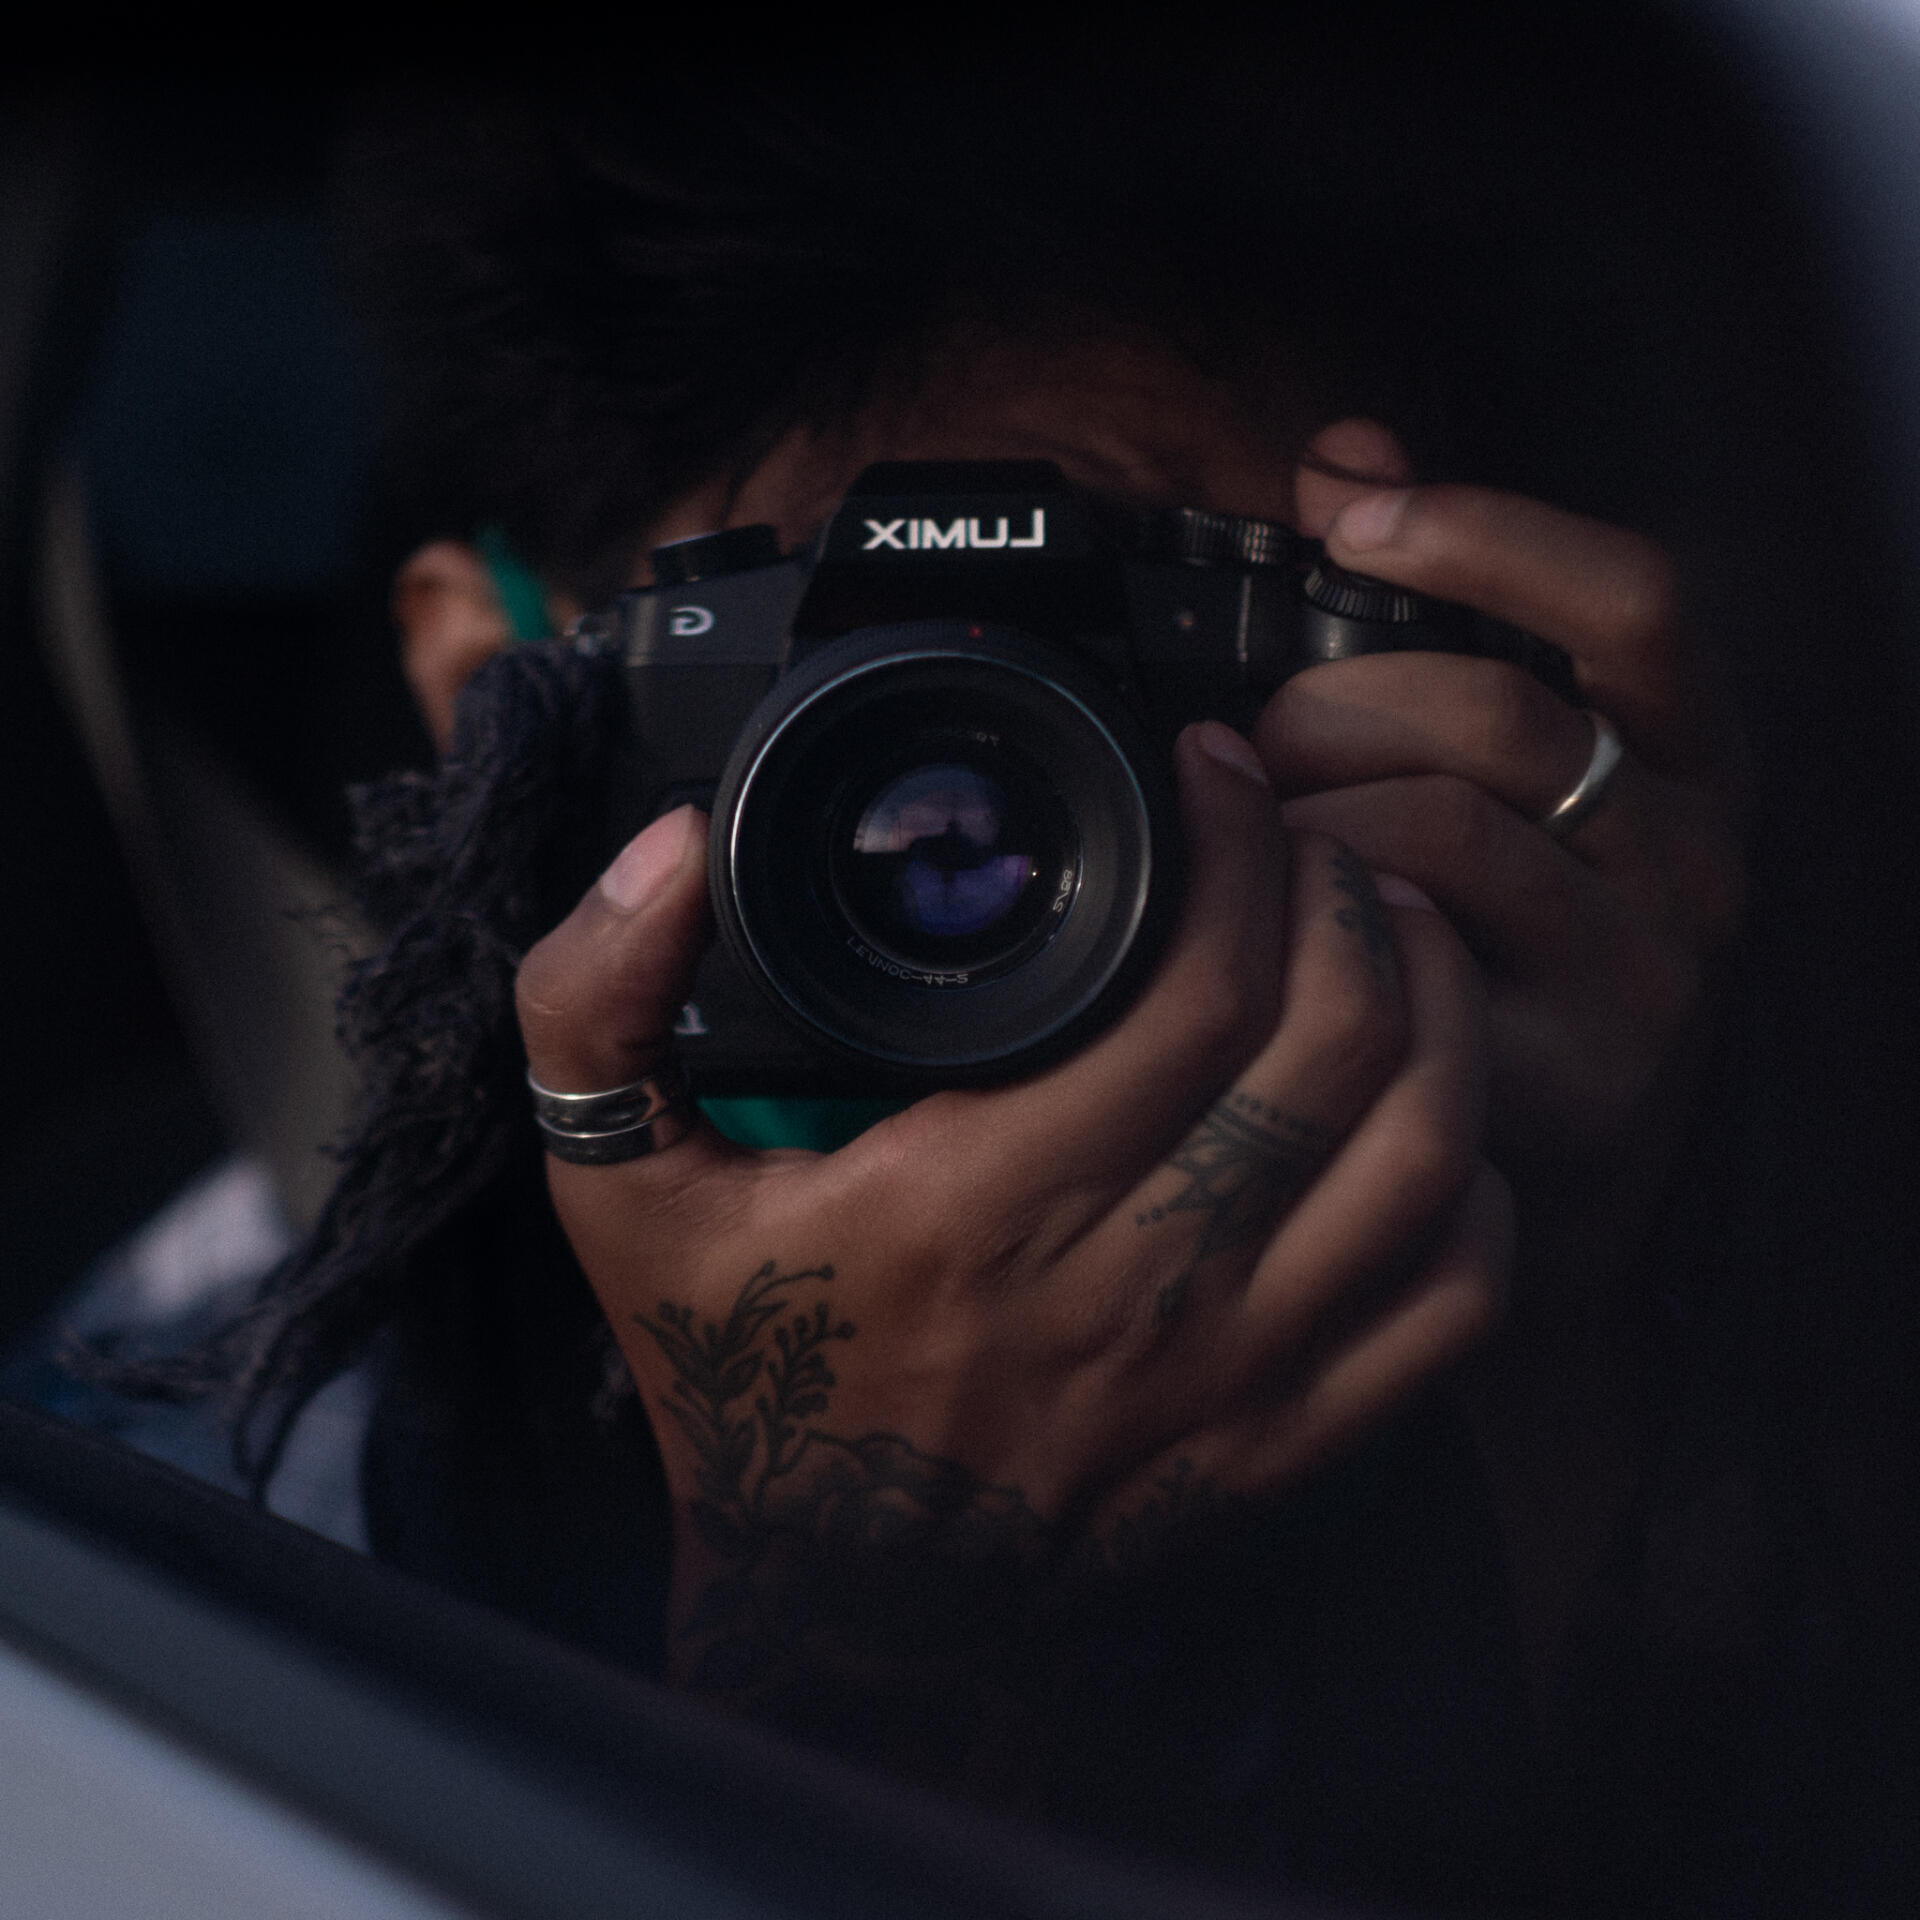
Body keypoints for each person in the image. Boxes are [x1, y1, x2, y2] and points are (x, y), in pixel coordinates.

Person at [89, 14, 1920, 1914]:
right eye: (833, 686)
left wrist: (1592, 1319)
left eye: (1154, 668)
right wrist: (861, 1620)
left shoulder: (1754, 1310)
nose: (992, 840)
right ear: (501, 708)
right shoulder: (175, 1478)